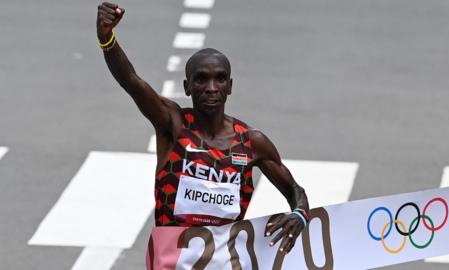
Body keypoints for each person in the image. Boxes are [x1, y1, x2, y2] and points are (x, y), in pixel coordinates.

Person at [96, 1, 310, 257]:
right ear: (187, 87)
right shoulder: (172, 124)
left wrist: (300, 214)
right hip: (173, 260)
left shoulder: (252, 142)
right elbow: (131, 81)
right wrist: (107, 39)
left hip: (223, 261)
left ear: (229, 86)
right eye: (201, 79)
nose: (211, 87)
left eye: (219, 79)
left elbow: (295, 191)